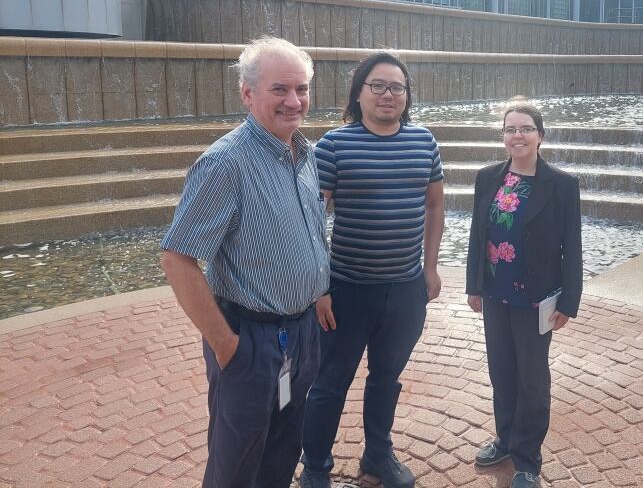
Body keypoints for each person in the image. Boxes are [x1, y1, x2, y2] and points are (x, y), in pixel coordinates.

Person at [160, 37, 330, 488]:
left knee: (281, 451)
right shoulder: (225, 164)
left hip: (300, 333)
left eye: (302, 89)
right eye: (280, 89)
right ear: (248, 93)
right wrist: (225, 345)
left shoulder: (304, 154)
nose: (294, 101)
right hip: (250, 340)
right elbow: (177, 259)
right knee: (235, 464)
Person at [299, 52, 446, 488]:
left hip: (404, 290)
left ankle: (378, 456)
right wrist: (318, 287)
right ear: (359, 93)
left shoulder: (424, 141)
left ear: (407, 95)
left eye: (397, 87)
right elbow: (311, 219)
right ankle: (316, 468)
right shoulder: (334, 145)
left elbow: (435, 203)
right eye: (378, 86)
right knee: (330, 383)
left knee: (387, 378)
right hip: (346, 290)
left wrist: (430, 267)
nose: (388, 95)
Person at [465, 101, 582, 488]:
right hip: (496, 292)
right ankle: (505, 438)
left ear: (540, 135)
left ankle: (527, 459)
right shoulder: (488, 178)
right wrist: (474, 285)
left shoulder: (561, 184)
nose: (518, 135)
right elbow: (477, 237)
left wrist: (569, 301)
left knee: (533, 378)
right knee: (502, 371)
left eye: (526, 128)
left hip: (536, 297)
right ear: (503, 136)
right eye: (510, 129)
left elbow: (572, 247)